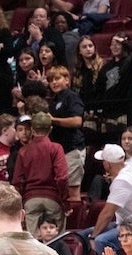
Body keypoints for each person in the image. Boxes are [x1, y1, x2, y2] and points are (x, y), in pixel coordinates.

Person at [86, 143, 132, 255]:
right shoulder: (130, 167)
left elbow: (107, 214)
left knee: (101, 241)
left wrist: (93, 237)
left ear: (107, 164)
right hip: (125, 223)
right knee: (82, 235)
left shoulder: (122, 181)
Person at [11, 112, 69, 234]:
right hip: (53, 198)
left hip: (30, 200)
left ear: (32, 130)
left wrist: (20, 204)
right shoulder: (56, 148)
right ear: (50, 129)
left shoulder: (23, 151)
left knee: (33, 242)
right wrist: (65, 202)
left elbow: (17, 181)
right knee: (56, 240)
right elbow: (62, 178)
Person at [47, 66, 86, 206]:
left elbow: (77, 121)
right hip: (60, 151)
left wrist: (53, 120)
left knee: (73, 192)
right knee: (61, 191)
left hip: (73, 148)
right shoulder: (54, 100)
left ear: (67, 80)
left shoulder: (71, 96)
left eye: (57, 78)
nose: (54, 82)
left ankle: (76, 226)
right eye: (51, 80)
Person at [97, 33, 132, 121]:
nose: (115, 47)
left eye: (118, 44)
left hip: (127, 112)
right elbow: (100, 88)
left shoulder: (131, 63)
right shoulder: (106, 67)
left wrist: (124, 42)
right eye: (113, 44)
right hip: (109, 113)